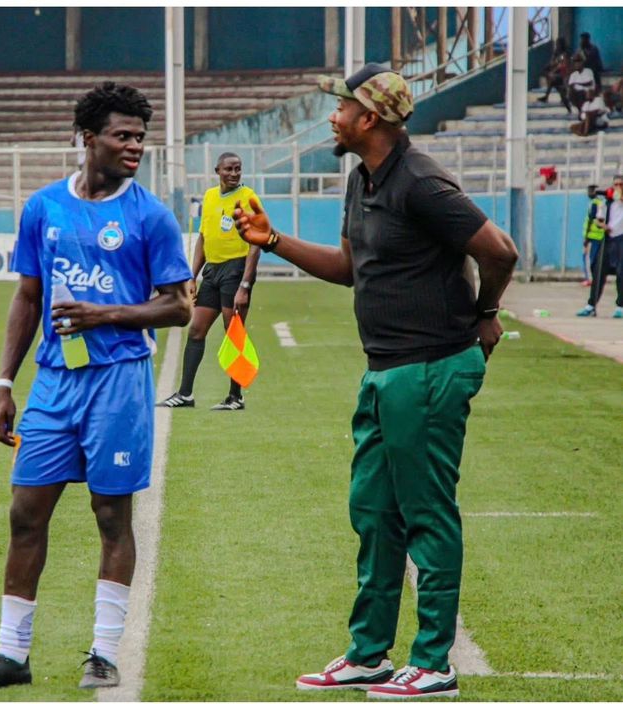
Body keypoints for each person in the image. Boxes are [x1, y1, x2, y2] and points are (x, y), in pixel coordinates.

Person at [234, 64, 518, 700]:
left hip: (429, 369)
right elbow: (348, 267)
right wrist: (271, 240)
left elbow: (499, 251)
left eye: (341, 107)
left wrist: (487, 314)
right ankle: (369, 655)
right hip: (385, 370)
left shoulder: (421, 182)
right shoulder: (361, 178)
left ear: (370, 119)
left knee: (427, 515)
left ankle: (435, 663)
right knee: (374, 512)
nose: (332, 117)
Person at [0, 81, 192, 690]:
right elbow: (27, 296)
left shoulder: (151, 216)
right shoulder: (44, 207)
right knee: (25, 513)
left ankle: (104, 653)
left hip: (119, 382)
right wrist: (4, 381)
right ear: (89, 138)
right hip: (54, 383)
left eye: (140, 136)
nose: (135, 146)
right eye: (122, 135)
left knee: (111, 515)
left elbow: (178, 307)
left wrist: (104, 314)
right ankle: (12, 655)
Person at [157, 152, 261, 411]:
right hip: (212, 272)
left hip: (236, 270)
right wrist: (192, 276)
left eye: (238, 168)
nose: (234, 173)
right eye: (229, 169)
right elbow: (203, 238)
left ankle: (236, 397)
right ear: (218, 171)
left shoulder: (248, 198)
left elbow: (256, 244)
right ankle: (185, 394)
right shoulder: (210, 196)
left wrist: (245, 285)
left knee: (233, 332)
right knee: (196, 330)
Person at [578, 175, 623, 318]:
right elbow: (598, 219)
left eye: (621, 185)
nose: (618, 187)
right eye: (616, 184)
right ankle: (591, 305)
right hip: (609, 240)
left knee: (621, 273)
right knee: (598, 272)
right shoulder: (607, 203)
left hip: (621, 239)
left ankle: (620, 306)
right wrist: (603, 226)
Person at [580, 184, 607, 286]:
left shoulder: (594, 203)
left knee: (588, 258)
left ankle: (590, 279)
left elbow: (591, 220)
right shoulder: (601, 203)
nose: (588, 193)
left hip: (592, 236)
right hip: (599, 236)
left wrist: (586, 238)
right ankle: (595, 278)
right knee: (595, 259)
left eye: (590, 190)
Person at [537, 36, 572, 112]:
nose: (557, 45)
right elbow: (553, 63)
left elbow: (562, 65)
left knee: (553, 80)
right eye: (556, 44)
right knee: (551, 79)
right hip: (558, 72)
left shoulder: (565, 54)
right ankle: (550, 96)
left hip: (565, 74)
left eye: (558, 44)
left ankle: (553, 96)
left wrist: (553, 70)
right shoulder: (556, 53)